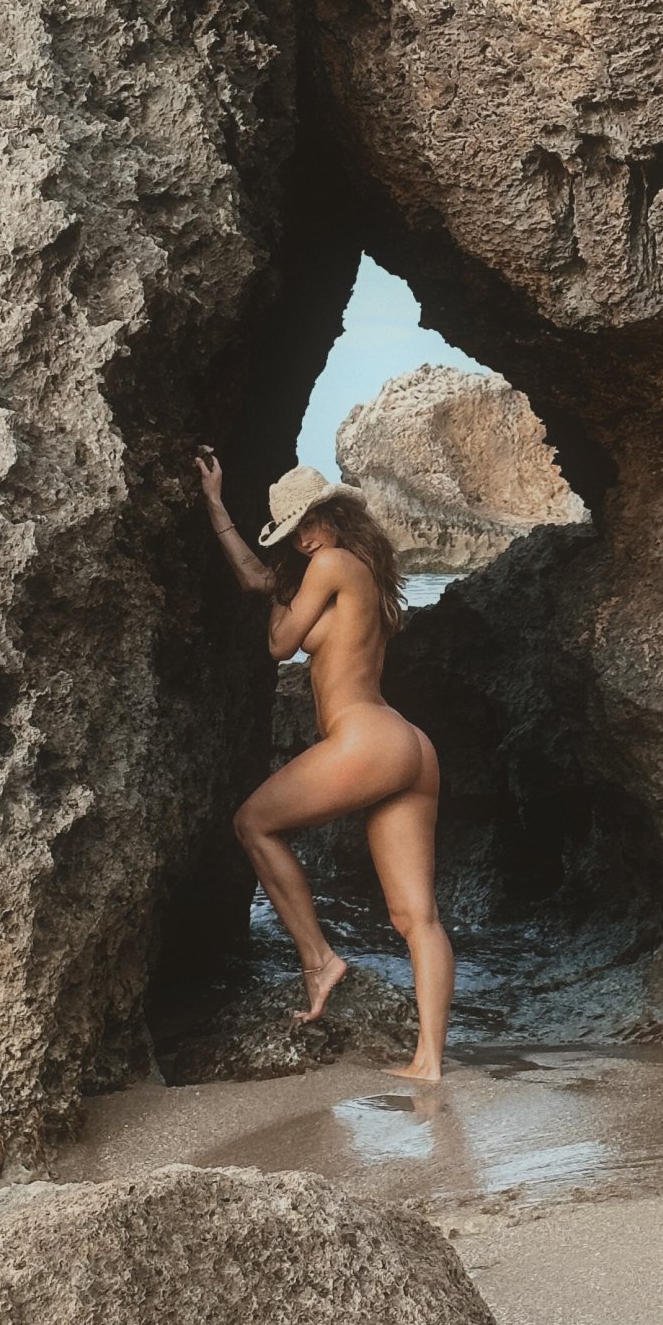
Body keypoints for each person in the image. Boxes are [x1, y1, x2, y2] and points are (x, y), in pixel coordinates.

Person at [195, 448, 454, 1082]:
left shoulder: (331, 564)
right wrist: (215, 505)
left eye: (310, 522)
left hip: (365, 738)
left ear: (335, 515)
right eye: (295, 531)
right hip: (407, 745)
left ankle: (319, 960)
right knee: (415, 916)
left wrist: (281, 584)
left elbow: (279, 642)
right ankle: (428, 1061)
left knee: (253, 823)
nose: (305, 538)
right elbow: (256, 580)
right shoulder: (355, 571)